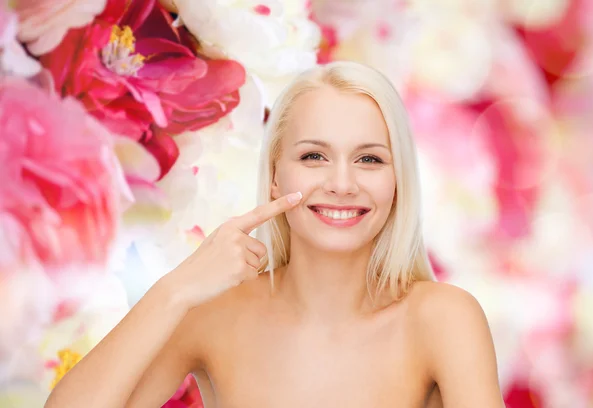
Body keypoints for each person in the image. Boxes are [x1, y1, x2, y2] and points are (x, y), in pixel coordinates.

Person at [45, 61, 506, 408]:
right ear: (274, 177)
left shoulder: (443, 318)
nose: (342, 184)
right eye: (313, 157)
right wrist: (176, 289)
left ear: (398, 180)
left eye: (369, 159)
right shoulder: (212, 314)